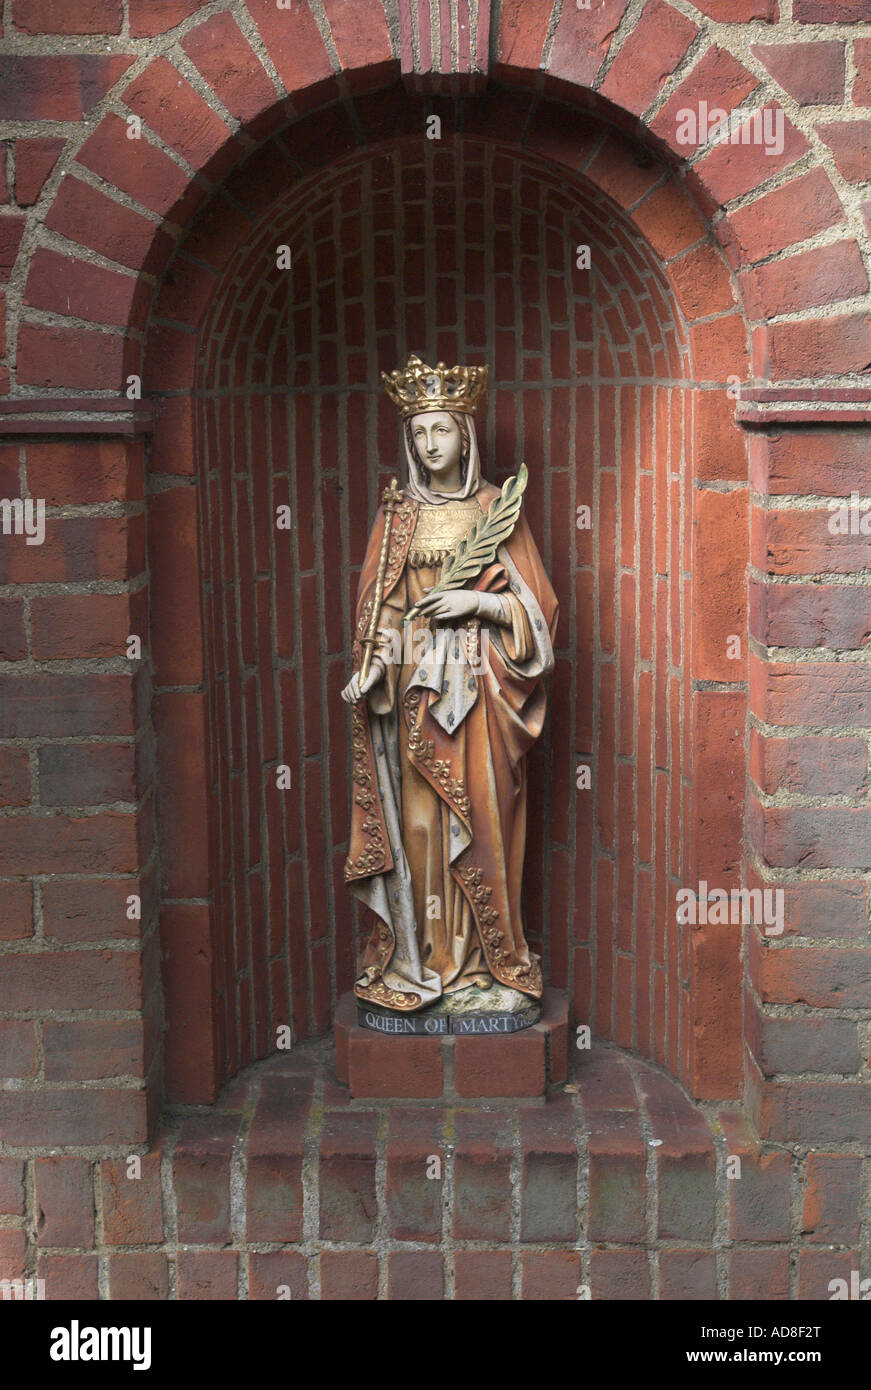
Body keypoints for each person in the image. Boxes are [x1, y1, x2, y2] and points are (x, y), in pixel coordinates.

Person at [341, 355, 558, 1013]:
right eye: (418, 434)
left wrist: (479, 607)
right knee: (420, 826)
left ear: (464, 433)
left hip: (480, 694)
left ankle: (488, 969)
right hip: (412, 697)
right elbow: (382, 612)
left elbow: (537, 612)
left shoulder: (496, 509)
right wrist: (373, 669)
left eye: (440, 430)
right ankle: (424, 960)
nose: (429, 444)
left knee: (483, 822)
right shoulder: (396, 513)